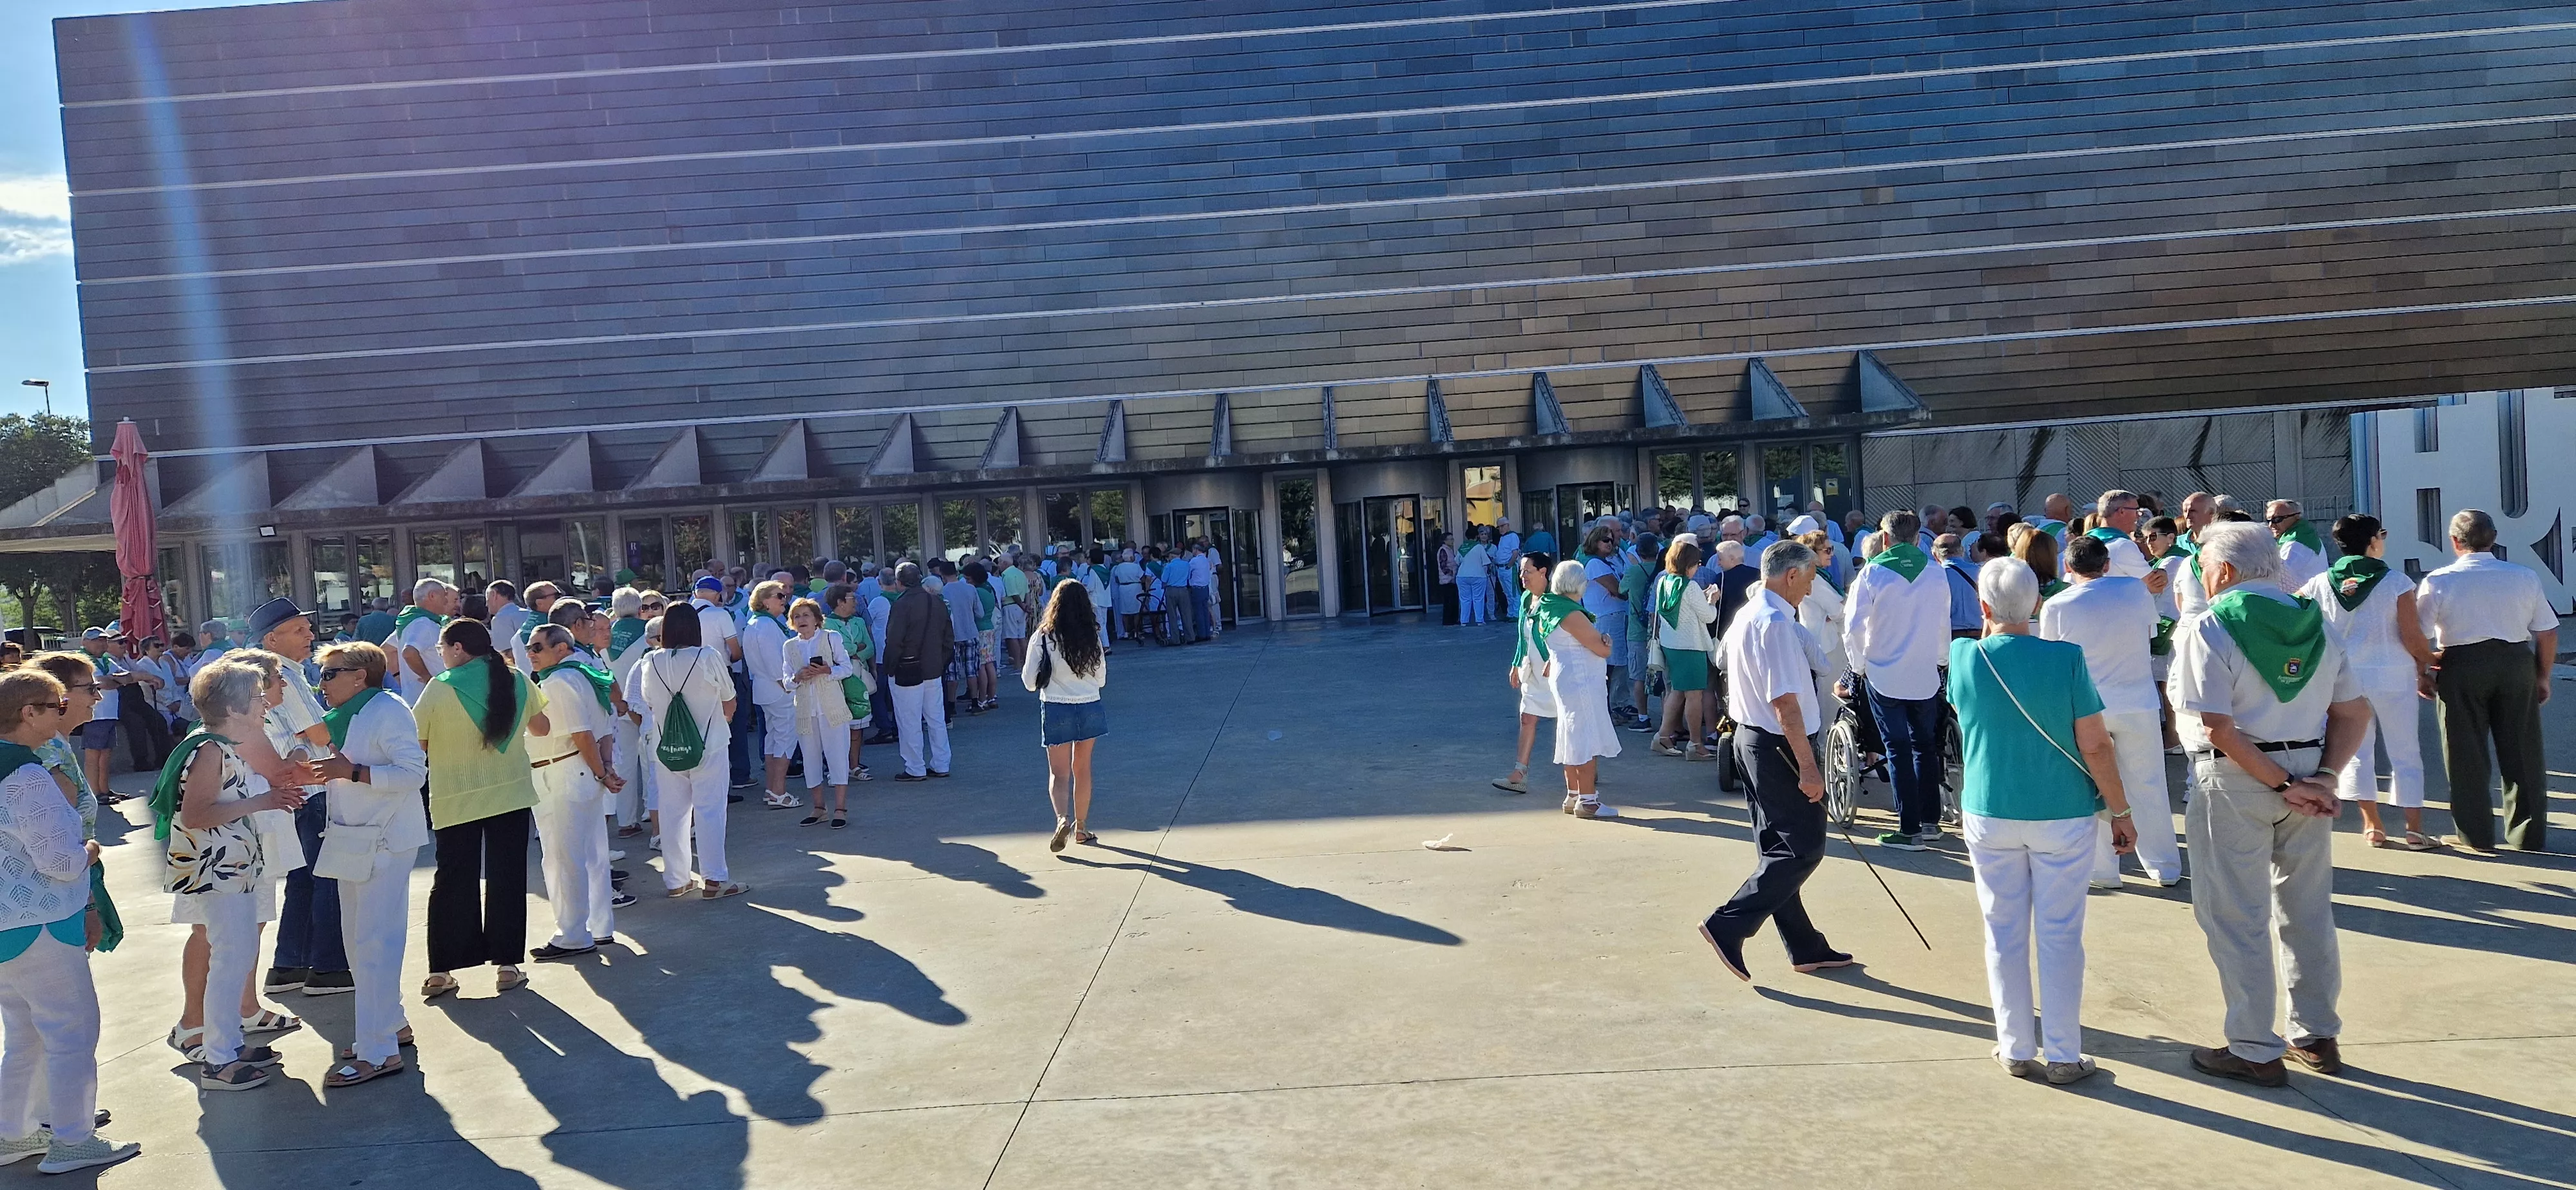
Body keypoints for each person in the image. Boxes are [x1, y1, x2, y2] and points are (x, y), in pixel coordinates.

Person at [2169, 522, 2370, 1086]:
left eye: (2206, 568)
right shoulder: (2317, 623)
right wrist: (2323, 778)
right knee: (2306, 910)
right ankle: (2317, 1033)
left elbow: (2219, 729)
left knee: (2237, 917)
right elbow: (2354, 712)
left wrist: (2283, 784)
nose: (2204, 579)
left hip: (2237, 781)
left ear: (2226, 571)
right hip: (2309, 777)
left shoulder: (2209, 627)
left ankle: (2255, 1047)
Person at [1950, 557, 2136, 1084]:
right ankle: (2062, 1053)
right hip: (2063, 811)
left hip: (1990, 806)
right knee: (2059, 934)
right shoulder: (2067, 659)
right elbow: (2095, 745)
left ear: (1984, 608)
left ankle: (2014, 1045)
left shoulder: (1964, 656)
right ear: (2037, 604)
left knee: (2001, 930)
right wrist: (2119, 811)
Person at [0, 669, 136, 1171]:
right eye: (57, 704)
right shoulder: (26, 774)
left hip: (6, 930)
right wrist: (90, 851)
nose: (67, 711)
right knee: (72, 1033)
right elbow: (60, 862)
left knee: (25, 1034)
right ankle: (74, 1138)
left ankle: (12, 1133)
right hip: (43, 923)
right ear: (28, 713)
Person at [1700, 540, 1850, 979]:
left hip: (1751, 739)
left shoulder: (1753, 614)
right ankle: (1728, 922)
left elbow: (1727, 661)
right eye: (1808, 580)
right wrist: (1808, 766)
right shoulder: (1773, 623)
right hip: (1777, 744)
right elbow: (1786, 704)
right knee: (1803, 849)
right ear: (1790, 576)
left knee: (1778, 849)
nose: (1809, 589)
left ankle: (1805, 946)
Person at [159, 659, 307, 1091]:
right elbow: (196, 813)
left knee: (234, 956)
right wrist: (263, 803)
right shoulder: (210, 749)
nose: (265, 705)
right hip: (217, 872)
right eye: (258, 698)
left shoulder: (222, 745)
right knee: (230, 958)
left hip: (231, 870)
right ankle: (219, 1059)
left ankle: (226, 1045)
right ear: (237, 706)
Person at [308, 641, 428, 1087]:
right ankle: (390, 1024)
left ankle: (378, 1052)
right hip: (352, 839)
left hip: (385, 841)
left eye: (329, 674)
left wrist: (351, 773)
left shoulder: (388, 709)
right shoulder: (352, 714)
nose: (321, 683)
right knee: (358, 942)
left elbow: (415, 773)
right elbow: (343, 768)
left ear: (360, 676)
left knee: (373, 943)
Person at [413, 619, 548, 998]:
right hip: (511, 793)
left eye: (441, 648)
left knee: (453, 881)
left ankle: (441, 970)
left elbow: (418, 742)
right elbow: (541, 727)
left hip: (455, 796)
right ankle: (507, 965)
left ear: (458, 648)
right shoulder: (517, 678)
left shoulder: (439, 689)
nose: (439, 655)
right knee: (508, 877)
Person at [2413, 509, 2559, 853]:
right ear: (2494, 538)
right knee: (2523, 752)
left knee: (2465, 754)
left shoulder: (2439, 580)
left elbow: (2417, 636)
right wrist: (2542, 676)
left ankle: (2476, 835)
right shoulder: (2524, 576)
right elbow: (2548, 631)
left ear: (2453, 541)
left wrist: (2423, 671)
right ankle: (2528, 834)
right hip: (2514, 661)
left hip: (2460, 664)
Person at [2039, 535, 2179, 888]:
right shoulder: (2134, 592)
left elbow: (2053, 662)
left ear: (2068, 568)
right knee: (2148, 784)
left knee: (2094, 785)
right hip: (2138, 702)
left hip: (2087, 707)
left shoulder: (2056, 606)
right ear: (2106, 565)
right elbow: (2150, 632)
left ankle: (2103, 869)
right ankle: (2163, 865)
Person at [2293, 516, 2437, 849]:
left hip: (2345, 677)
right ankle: (2414, 829)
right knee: (2405, 751)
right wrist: (2428, 664)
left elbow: (2296, 613)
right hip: (2392, 674)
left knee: (2357, 752)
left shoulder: (2318, 583)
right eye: (2382, 535)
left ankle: (2372, 825)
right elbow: (2412, 636)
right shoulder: (2396, 582)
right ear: (2373, 540)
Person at [245, 598, 354, 999]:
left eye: (308, 628)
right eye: (299, 630)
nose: (310, 636)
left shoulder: (274, 673)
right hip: (309, 789)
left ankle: (290, 965)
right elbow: (320, 733)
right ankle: (328, 968)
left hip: (297, 789)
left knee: (304, 879)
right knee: (326, 877)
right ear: (272, 639)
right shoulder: (281, 677)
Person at [1842, 511, 1953, 849]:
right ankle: (1931, 822)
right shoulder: (1936, 572)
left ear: (1885, 538)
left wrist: (1859, 666)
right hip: (1923, 673)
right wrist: (1940, 661)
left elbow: (1853, 627)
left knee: (1897, 748)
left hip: (1884, 673)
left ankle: (1909, 829)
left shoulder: (1872, 573)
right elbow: (1941, 623)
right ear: (1919, 538)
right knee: (1925, 747)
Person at [524, 625, 624, 959]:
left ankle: (572, 933)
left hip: (563, 770)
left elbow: (583, 733)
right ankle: (598, 926)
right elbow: (604, 725)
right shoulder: (585, 674)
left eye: (538, 647)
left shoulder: (559, 682)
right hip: (578, 770)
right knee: (591, 854)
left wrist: (602, 771)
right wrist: (605, 768)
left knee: (562, 857)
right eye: (530, 647)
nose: (531, 653)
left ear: (562, 648)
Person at [631, 603, 743, 897]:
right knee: (710, 810)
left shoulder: (650, 662)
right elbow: (730, 700)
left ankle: (677, 880)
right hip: (710, 744)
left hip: (666, 746)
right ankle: (715, 879)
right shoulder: (707, 655)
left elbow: (650, 703)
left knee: (672, 813)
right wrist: (722, 718)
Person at [1025, 578, 1108, 851]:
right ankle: (1081, 828)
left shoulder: (1044, 636)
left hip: (1056, 706)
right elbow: (1102, 678)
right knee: (1082, 770)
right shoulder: (1091, 635)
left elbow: (1028, 680)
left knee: (1058, 774)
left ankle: (1062, 819)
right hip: (1089, 705)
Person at [1539, 560, 1620, 818]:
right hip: (1580, 680)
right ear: (1579, 584)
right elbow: (1601, 649)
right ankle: (1588, 801)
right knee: (1584, 736)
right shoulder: (1572, 613)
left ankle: (1573, 795)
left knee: (1570, 734)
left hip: (1566, 678)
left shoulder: (1550, 606)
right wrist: (1607, 642)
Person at [780, 598, 855, 828]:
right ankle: (819, 808)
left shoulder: (831, 637)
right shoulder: (789, 646)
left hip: (831, 708)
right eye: (797, 616)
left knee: (837, 757)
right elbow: (786, 680)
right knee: (810, 761)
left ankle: (840, 809)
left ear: (816, 619)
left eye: (806, 615)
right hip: (805, 710)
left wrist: (827, 670)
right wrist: (797, 678)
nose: (802, 620)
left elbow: (847, 668)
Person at [882, 563, 954, 780]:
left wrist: (890, 667)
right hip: (933, 668)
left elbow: (894, 640)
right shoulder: (937, 602)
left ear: (900, 582)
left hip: (907, 669)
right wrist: (941, 662)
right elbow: (949, 638)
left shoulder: (901, 604)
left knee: (909, 721)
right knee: (936, 719)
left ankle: (915, 767)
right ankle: (942, 764)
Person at [1496, 552, 1560, 793]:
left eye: (1527, 571)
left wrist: (1555, 659)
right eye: (1521, 572)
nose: (1522, 576)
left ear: (1543, 572)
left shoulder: (1556, 601)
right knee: (1527, 718)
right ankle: (1519, 773)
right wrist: (1515, 664)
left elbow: (1567, 635)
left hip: (1554, 671)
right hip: (1532, 670)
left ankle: (1586, 766)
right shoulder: (1525, 599)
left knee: (1569, 721)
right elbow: (1523, 637)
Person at [1651, 540, 1720, 760]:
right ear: (1688, 564)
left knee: (1677, 692)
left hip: (1671, 644)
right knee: (1694, 696)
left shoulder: (1663, 581)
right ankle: (1696, 744)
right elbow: (1709, 617)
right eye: (1697, 563)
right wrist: (1712, 600)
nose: (1699, 567)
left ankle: (1662, 737)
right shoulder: (1690, 587)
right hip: (1691, 647)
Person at [738, 580, 803, 810]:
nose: (784, 600)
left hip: (766, 690)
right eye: (779, 596)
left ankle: (772, 789)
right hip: (778, 690)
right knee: (785, 739)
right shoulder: (764, 626)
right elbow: (775, 663)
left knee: (774, 739)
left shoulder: (758, 623)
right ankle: (778, 791)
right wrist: (789, 685)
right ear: (765, 601)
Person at [71, 628, 139, 813]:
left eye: (104, 640)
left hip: (109, 714)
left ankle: (105, 790)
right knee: (94, 756)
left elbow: (128, 676)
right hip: (94, 714)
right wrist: (116, 681)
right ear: (84, 642)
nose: (101, 644)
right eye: (96, 641)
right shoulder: (82, 661)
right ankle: (94, 793)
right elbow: (100, 683)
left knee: (106, 755)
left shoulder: (107, 660)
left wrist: (114, 680)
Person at [1578, 526, 1637, 728]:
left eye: (1611, 540)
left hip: (1612, 615)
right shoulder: (1595, 563)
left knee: (1615, 663)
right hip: (1607, 617)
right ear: (1594, 542)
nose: (1609, 543)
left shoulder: (1606, 562)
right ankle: (1609, 708)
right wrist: (1621, 590)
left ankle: (1614, 705)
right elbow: (1620, 590)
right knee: (1612, 664)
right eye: (1605, 540)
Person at [822, 583, 875, 791]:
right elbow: (837, 650)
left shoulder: (860, 621)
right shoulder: (827, 624)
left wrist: (856, 653)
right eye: (852, 598)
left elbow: (869, 647)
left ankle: (854, 766)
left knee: (858, 724)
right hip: (838, 680)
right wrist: (854, 649)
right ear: (840, 602)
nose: (857, 602)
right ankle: (836, 769)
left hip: (859, 675)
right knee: (838, 726)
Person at [2266, 500, 2327, 593]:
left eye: (2277, 519)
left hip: (2303, 602)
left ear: (2297, 517)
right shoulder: (2306, 535)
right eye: (2269, 520)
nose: (2271, 525)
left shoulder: (2294, 545)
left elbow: (2277, 577)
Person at [1935, 534, 1981, 639]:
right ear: (1962, 550)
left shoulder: (1937, 576)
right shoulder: (1981, 572)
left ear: (1935, 555)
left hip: (1951, 636)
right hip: (1981, 633)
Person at [1457, 529, 1494, 627]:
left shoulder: (1462, 547)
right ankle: (1479, 621)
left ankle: (1464, 621)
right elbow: (1486, 562)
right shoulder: (1479, 547)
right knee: (1478, 598)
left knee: (1465, 599)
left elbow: (1457, 561)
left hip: (1462, 576)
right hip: (1478, 575)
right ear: (1477, 536)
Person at [1433, 529, 1460, 627]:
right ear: (1445, 541)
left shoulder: (1449, 550)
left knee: (1453, 601)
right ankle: (1448, 620)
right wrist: (1452, 574)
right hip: (1447, 580)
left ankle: (1453, 619)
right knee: (1449, 601)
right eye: (1450, 539)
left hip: (1451, 580)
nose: (1452, 541)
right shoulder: (1443, 551)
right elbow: (1443, 566)